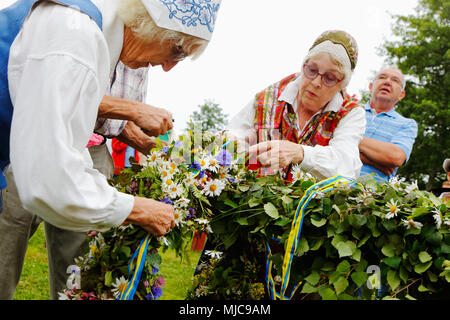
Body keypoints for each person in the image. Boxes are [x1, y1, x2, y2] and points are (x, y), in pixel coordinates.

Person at [0, 0, 221, 299]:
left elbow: (69, 147)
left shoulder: (94, 29)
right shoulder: (76, 33)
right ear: (151, 22)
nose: (168, 67)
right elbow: (47, 180)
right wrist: (137, 208)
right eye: (176, 50)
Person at [229, 30, 366, 181]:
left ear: (342, 84)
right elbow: (234, 134)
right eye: (312, 70)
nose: (315, 82)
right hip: (254, 195)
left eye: (330, 77)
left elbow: (346, 168)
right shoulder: (269, 97)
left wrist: (300, 153)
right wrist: (237, 144)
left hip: (310, 202)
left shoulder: (350, 113)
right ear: (303, 66)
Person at [358, 67, 418, 182]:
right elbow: (324, 142)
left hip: (371, 197)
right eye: (382, 77)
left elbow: (396, 157)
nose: (387, 82)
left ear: (401, 94)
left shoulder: (407, 124)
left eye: (395, 80)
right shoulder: (348, 110)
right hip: (329, 187)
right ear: (371, 87)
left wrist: (347, 139)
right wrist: (378, 162)